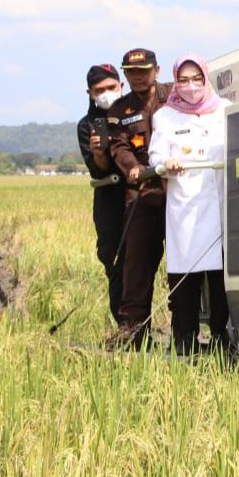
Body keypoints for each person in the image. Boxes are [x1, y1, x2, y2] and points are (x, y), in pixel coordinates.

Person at [148, 54, 231, 355]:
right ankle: (184, 339)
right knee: (186, 275)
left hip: (221, 199)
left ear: (206, 78)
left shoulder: (225, 110)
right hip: (185, 203)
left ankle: (223, 337)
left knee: (221, 275)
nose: (191, 86)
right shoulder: (165, 116)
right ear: (175, 81)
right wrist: (165, 162)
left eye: (197, 78)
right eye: (183, 79)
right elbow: (155, 156)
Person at [105, 48, 170, 349]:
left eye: (144, 70)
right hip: (142, 194)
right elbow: (119, 148)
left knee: (186, 263)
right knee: (137, 264)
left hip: (180, 193)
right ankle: (132, 329)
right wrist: (134, 170)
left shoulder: (175, 95)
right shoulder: (119, 110)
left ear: (157, 70)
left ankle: (186, 328)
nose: (138, 76)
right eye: (131, 72)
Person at [76, 64, 126, 324]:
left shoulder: (134, 115)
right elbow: (99, 171)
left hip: (144, 197)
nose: (106, 94)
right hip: (110, 203)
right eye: (99, 90)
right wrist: (98, 152)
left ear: (121, 86)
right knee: (116, 265)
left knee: (145, 264)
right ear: (90, 93)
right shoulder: (88, 126)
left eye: (111, 88)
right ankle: (128, 331)